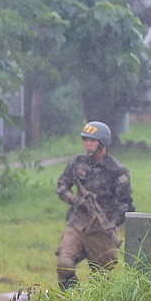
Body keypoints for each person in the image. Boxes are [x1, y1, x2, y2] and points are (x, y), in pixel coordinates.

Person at [55, 121, 135, 291]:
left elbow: (126, 203)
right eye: (85, 140)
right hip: (78, 223)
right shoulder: (78, 162)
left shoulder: (117, 170)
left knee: (102, 279)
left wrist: (112, 223)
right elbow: (62, 186)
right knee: (64, 264)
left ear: (103, 143)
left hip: (102, 228)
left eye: (92, 140)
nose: (88, 144)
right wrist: (76, 201)